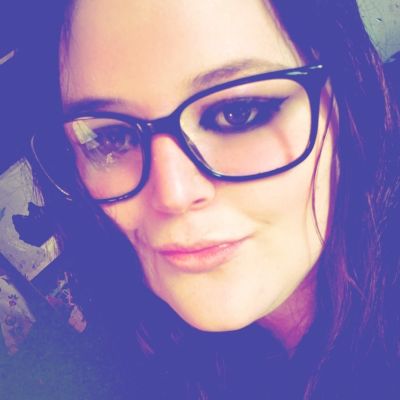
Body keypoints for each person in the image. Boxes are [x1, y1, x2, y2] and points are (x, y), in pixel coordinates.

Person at [2, 0, 399, 399]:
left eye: (238, 112)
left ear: (344, 97)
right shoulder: (127, 346)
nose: (172, 194)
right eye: (111, 137)